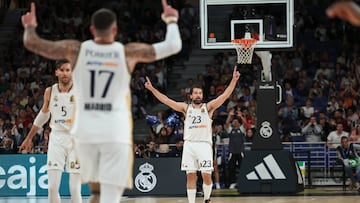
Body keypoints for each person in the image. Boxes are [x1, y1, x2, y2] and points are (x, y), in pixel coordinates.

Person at [21, 1, 181, 203]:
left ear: (91, 29)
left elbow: (32, 43)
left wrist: (29, 26)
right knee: (109, 196)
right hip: (114, 132)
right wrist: (171, 20)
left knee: (95, 193)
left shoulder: (76, 50)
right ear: (115, 29)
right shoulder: (127, 52)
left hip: (85, 134)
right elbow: (173, 45)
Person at [145, 66, 240, 203]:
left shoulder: (208, 108)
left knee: (206, 175)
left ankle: (207, 199)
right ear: (191, 96)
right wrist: (152, 89)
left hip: (204, 145)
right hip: (189, 145)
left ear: (202, 96)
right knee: (191, 176)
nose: (198, 95)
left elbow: (224, 96)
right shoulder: (185, 108)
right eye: (195, 93)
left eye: (200, 93)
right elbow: (166, 100)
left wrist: (234, 80)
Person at [19, 61, 82, 203]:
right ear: (56, 72)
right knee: (52, 188)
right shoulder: (50, 91)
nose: (65, 73)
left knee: (74, 188)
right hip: (57, 138)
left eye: (68, 70)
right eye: (62, 70)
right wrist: (29, 138)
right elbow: (44, 115)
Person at [224, 108, 247, 189]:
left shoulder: (241, 130)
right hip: (232, 152)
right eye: (233, 121)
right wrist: (230, 116)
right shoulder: (231, 130)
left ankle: (243, 181)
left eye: (236, 121)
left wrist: (241, 116)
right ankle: (232, 183)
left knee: (242, 167)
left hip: (240, 151)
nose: (235, 122)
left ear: (238, 123)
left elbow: (245, 124)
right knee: (231, 168)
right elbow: (226, 124)